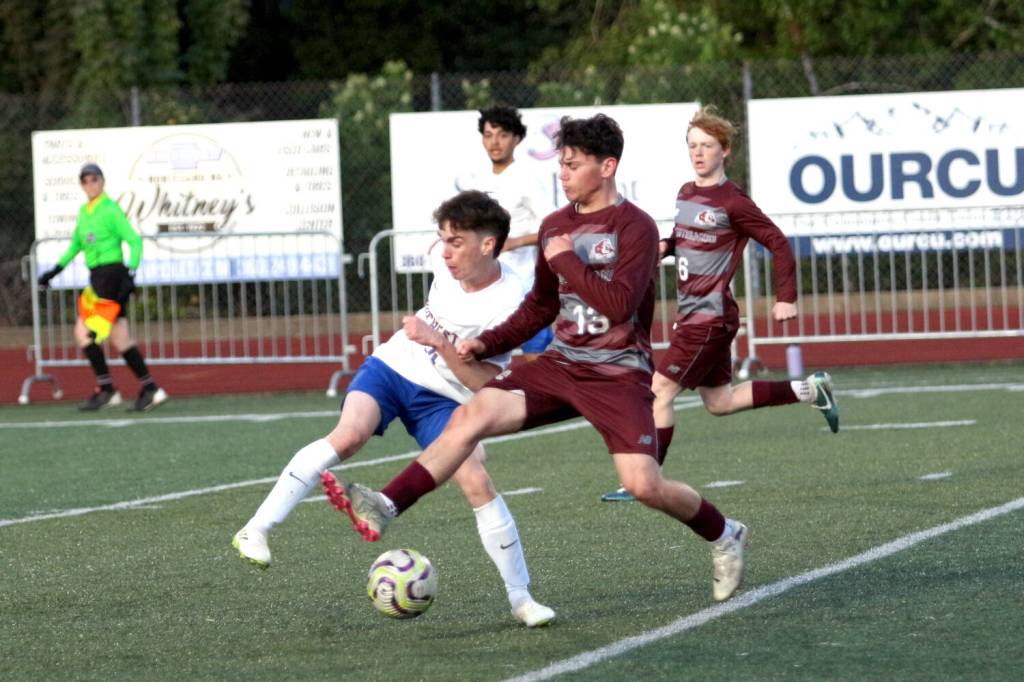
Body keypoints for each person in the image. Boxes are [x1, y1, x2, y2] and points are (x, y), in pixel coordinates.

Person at [330, 114, 751, 603]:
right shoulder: (557, 224)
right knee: (470, 416)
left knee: (642, 485)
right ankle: (387, 502)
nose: (563, 173)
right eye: (561, 164)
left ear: (607, 166)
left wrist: (566, 256)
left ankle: (724, 534)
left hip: (617, 374)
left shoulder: (633, 227)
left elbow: (618, 305)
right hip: (562, 364)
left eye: (572, 164)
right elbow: (542, 307)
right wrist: (487, 343)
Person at [231, 190, 555, 627]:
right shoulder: (444, 262)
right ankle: (257, 528)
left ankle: (521, 599)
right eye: (442, 239)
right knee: (348, 435)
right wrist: (426, 338)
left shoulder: (512, 302)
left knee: (476, 478)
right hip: (394, 366)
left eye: (456, 241)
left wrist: (438, 341)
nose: (446, 252)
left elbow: (490, 384)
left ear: (488, 244)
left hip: (446, 398)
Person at [601, 105, 840, 502]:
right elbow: (683, 238)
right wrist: (663, 247)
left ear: (724, 150)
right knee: (720, 402)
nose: (698, 153)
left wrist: (786, 298)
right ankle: (811, 389)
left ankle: (644, 480)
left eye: (707, 145)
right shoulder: (685, 192)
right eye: (692, 145)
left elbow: (778, 242)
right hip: (696, 316)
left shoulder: (733, 201)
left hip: (708, 318)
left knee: (658, 391)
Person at [36, 163, 167, 412]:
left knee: (83, 332)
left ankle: (108, 390)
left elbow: (134, 240)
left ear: (102, 181)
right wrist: (54, 270)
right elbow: (76, 244)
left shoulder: (110, 209)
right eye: (85, 180)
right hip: (98, 277)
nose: (90, 184)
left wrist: (131, 270)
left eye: (94, 179)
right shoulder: (84, 212)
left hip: (112, 275)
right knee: (120, 338)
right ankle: (150, 388)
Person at [473, 105, 555, 358]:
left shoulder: (526, 178)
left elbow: (553, 225)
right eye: (488, 135)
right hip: (489, 289)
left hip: (524, 290)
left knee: (537, 363)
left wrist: (517, 241)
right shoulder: (480, 179)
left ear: (516, 139)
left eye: (502, 134)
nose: (494, 142)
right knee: (482, 361)